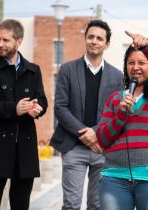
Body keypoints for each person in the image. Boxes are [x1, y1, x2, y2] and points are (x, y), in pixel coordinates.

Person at [97, 31, 148, 210]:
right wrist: (121, 114)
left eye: (142, 62)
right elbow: (102, 139)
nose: (135, 67)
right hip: (115, 180)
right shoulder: (115, 99)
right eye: (131, 63)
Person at [0, 19, 48, 210]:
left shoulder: (33, 70)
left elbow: (42, 100)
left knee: (21, 205)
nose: (0, 44)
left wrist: (37, 108)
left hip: (25, 150)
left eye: (5, 40)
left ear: (18, 41)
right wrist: (13, 109)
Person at [50, 19, 123, 210]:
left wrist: (96, 134)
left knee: (97, 205)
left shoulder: (117, 76)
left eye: (99, 38)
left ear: (107, 44)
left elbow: (117, 114)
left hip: (102, 148)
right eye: (90, 36)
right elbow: (60, 107)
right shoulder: (67, 69)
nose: (94, 41)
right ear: (85, 39)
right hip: (73, 146)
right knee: (72, 204)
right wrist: (85, 133)